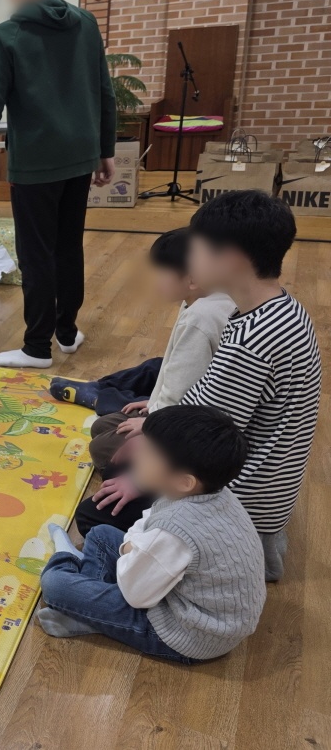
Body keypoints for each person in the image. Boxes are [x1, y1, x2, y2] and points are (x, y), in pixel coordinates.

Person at [77, 191, 320, 582]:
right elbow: (208, 403)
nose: (189, 259)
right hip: (259, 488)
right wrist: (153, 431)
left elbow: (206, 442)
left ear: (231, 258)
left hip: (235, 501)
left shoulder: (249, 342)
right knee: (122, 451)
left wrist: (142, 477)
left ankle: (222, 561)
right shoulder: (282, 309)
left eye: (197, 248)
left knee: (95, 514)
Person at [0, 0, 116, 368]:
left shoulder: (7, 36)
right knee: (69, 246)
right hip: (80, 158)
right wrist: (106, 150)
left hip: (35, 166)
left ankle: (37, 347)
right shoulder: (85, 23)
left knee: (36, 253)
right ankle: (67, 332)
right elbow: (103, 91)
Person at [37, 406, 266, 662]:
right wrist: (133, 545)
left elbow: (135, 595)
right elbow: (148, 520)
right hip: (191, 604)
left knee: (55, 585)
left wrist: (130, 548)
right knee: (101, 534)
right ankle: (90, 615)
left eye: (148, 452)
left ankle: (69, 564)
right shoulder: (208, 494)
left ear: (184, 481)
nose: (135, 454)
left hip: (189, 635)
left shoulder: (175, 531)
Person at [50, 227, 235, 469]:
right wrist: (154, 403)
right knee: (102, 425)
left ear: (192, 279)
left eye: (162, 273)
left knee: (102, 449)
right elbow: (175, 372)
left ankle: (150, 471)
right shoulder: (205, 298)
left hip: (190, 425)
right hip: (180, 411)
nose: (157, 281)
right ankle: (103, 393)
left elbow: (182, 388)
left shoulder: (200, 317)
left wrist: (151, 422)